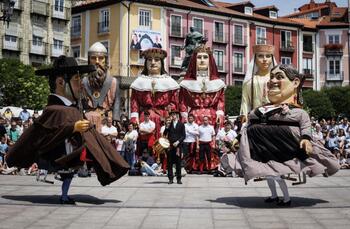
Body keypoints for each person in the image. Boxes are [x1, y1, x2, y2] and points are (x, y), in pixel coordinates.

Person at [6, 56, 129, 204]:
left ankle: (65, 194)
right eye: (76, 80)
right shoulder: (55, 110)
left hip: (71, 155)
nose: (81, 85)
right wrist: (72, 127)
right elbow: (44, 138)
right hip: (58, 157)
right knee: (68, 172)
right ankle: (64, 195)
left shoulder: (72, 108)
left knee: (70, 174)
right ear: (60, 82)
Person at [235, 65, 340, 206]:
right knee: (269, 176)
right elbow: (248, 125)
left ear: (295, 83)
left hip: (284, 149)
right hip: (261, 149)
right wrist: (239, 137)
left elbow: (305, 125)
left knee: (276, 176)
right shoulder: (260, 109)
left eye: (279, 77)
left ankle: (286, 199)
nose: (273, 80)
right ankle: (273, 196)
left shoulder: (297, 112)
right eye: (271, 77)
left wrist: (306, 139)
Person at [130, 48, 179, 140]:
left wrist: (169, 115)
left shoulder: (170, 83)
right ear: (146, 63)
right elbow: (134, 103)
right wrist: (134, 118)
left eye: (156, 60)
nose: (153, 63)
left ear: (161, 63)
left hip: (163, 119)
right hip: (144, 118)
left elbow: (174, 103)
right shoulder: (138, 82)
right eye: (149, 60)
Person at [179, 44, 226, 128]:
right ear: (194, 60)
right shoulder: (186, 84)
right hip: (193, 119)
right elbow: (182, 104)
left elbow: (220, 102)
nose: (202, 60)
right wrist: (184, 118)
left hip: (212, 118)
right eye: (199, 57)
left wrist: (220, 115)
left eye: (205, 57)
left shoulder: (218, 83)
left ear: (209, 60)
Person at [82, 42, 120, 132]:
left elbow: (117, 102)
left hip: (106, 122)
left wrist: (116, 119)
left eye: (101, 58)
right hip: (88, 122)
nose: (97, 61)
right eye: (93, 58)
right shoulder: (83, 82)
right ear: (89, 60)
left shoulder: (113, 82)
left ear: (105, 60)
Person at [240, 45, 276, 117]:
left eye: (268, 56)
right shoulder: (249, 82)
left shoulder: (276, 80)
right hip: (255, 119)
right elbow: (245, 102)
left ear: (272, 59)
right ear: (255, 59)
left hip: (274, 118)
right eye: (260, 56)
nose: (265, 59)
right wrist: (244, 116)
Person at [164, 110, 186, 184]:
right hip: (170, 146)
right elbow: (165, 134)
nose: (172, 116)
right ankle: (170, 179)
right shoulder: (169, 124)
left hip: (178, 146)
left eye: (174, 115)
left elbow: (184, 136)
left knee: (178, 163)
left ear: (177, 115)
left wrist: (178, 142)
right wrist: (166, 127)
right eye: (171, 115)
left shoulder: (181, 124)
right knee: (169, 163)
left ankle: (179, 179)